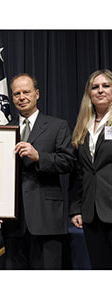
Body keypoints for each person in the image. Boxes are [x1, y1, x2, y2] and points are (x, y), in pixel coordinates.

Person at [2, 73, 76, 269]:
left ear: (37, 94)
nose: (21, 97)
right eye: (16, 93)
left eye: (26, 92)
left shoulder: (57, 125)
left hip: (47, 217)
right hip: (14, 222)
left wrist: (39, 156)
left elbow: (68, 162)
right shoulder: (5, 130)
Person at [69, 69, 112, 269]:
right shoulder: (82, 125)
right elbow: (80, 172)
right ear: (89, 94)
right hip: (91, 212)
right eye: (95, 87)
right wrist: (76, 208)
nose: (100, 91)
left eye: (106, 86)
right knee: (101, 268)